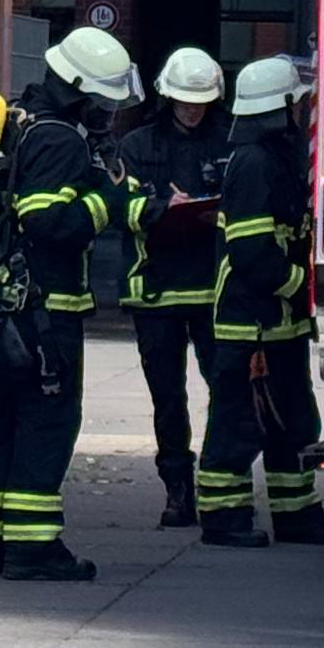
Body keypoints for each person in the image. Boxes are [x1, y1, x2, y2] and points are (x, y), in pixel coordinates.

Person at [0, 30, 145, 582]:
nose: (107, 110)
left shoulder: (16, 123)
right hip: (41, 313)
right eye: (103, 100)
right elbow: (46, 223)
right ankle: (33, 548)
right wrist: (107, 201)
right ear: (80, 91)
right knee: (46, 421)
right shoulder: (61, 139)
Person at [196, 53, 324, 548]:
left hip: (279, 326)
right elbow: (254, 253)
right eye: (294, 108)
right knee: (236, 425)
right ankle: (223, 518)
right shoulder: (255, 165)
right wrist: (302, 285)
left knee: (291, 422)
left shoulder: (272, 159)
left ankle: (297, 515)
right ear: (279, 110)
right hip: (250, 326)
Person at [113, 46, 232, 530]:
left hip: (212, 290)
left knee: (224, 390)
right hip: (156, 291)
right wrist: (163, 206)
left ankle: (221, 486)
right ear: (167, 95)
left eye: (199, 100)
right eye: (184, 99)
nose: (191, 108)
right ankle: (177, 492)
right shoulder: (138, 145)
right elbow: (121, 207)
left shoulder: (228, 140)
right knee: (168, 398)